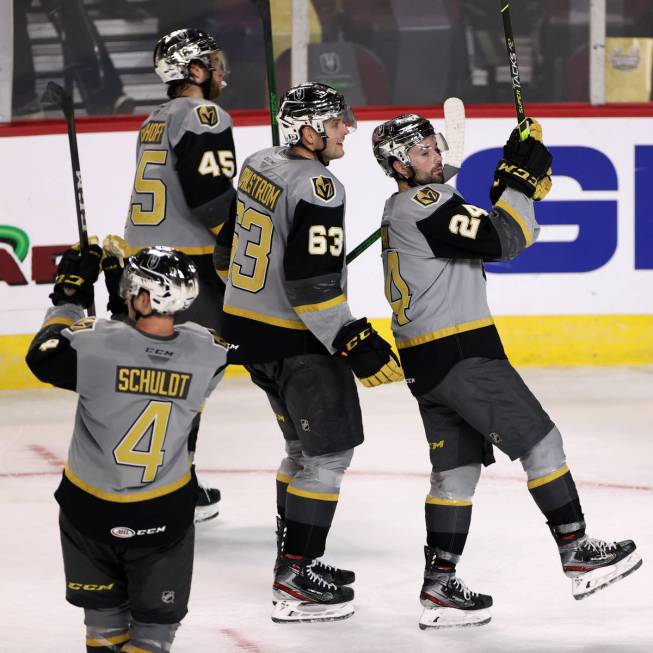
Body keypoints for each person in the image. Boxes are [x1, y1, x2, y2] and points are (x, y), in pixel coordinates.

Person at [371, 114, 642, 629]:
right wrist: (519, 181)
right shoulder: (425, 203)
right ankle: (577, 550)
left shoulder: (405, 207)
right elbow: (505, 241)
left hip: (427, 362)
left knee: (455, 473)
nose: (436, 157)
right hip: (462, 355)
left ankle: (439, 588)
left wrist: (513, 184)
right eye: (425, 151)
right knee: (543, 443)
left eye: (434, 147)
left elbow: (493, 231)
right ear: (400, 164)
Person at [215, 82, 403, 623]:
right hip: (299, 343)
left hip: (251, 335)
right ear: (309, 130)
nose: (349, 129)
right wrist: (353, 341)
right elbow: (312, 288)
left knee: (301, 450)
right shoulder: (321, 188)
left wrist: (250, 297)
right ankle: (297, 574)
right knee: (327, 455)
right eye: (338, 121)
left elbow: (227, 250)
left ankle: (292, 559)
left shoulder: (258, 162)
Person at [25, 243, 228, 652]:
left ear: (138, 295)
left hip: (89, 510)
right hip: (161, 512)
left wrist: (71, 296)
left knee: (102, 628)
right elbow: (148, 351)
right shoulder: (209, 353)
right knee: (152, 635)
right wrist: (126, 296)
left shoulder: (94, 345)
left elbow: (45, 354)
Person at [124, 27, 237, 521]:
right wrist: (247, 246)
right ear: (194, 70)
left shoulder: (154, 118)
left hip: (144, 265)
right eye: (214, 61)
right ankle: (165, 488)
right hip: (184, 270)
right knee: (186, 378)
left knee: (161, 378)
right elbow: (211, 197)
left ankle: (166, 481)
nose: (222, 70)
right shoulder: (204, 114)